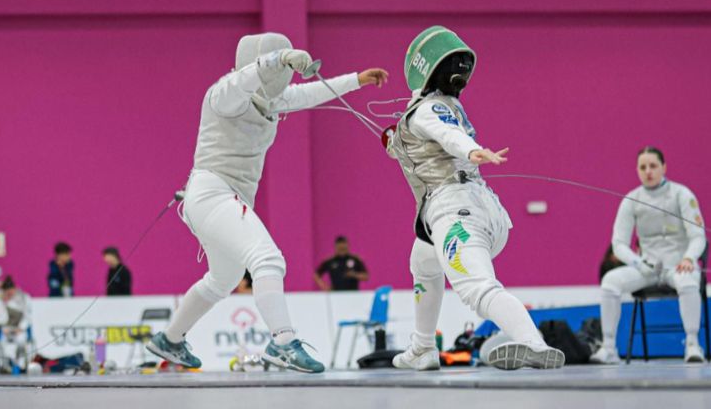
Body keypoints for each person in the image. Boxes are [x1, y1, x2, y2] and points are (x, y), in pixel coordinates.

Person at [146, 33, 388, 373]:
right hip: (212, 191)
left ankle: (169, 340)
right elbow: (244, 81)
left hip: (227, 197)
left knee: (223, 279)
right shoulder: (224, 94)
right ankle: (284, 341)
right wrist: (278, 59)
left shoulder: (269, 101)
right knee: (268, 259)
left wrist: (357, 80)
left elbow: (311, 93)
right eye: (278, 66)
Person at [386, 26, 565, 371]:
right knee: (423, 262)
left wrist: (473, 151)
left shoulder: (427, 111)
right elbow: (427, 143)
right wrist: (396, 144)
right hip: (484, 210)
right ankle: (423, 347)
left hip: (455, 214)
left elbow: (448, 136)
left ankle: (532, 343)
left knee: (477, 289)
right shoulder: (443, 105)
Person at [590, 147, 707, 364]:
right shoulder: (631, 199)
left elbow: (698, 236)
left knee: (689, 283)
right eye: (643, 167)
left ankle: (692, 344)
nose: (648, 171)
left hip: (679, 265)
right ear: (637, 170)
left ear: (664, 167)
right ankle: (609, 348)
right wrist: (638, 262)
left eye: (653, 166)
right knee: (610, 281)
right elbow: (618, 244)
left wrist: (689, 258)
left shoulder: (682, 194)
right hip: (648, 268)